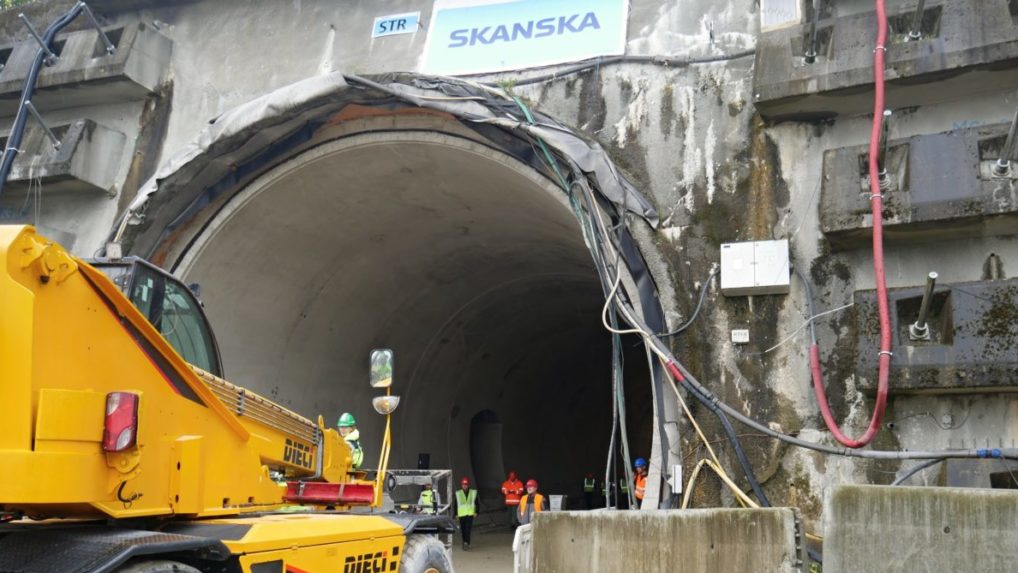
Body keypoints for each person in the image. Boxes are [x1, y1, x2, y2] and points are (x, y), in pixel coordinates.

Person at [455, 477, 477, 550]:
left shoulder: (472, 492)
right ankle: (465, 542)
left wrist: (476, 512)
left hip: (470, 514)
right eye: (463, 484)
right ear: (461, 485)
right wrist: (456, 514)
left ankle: (466, 543)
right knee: (463, 530)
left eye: (466, 484)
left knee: (468, 529)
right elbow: (456, 504)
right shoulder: (458, 493)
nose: (464, 486)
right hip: (461, 514)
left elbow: (477, 503)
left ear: (468, 485)